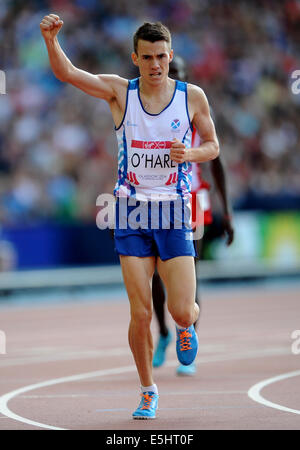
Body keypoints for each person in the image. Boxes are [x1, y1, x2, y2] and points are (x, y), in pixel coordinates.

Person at [40, 16, 220, 419]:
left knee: (181, 309)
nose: (156, 65)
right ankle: (147, 390)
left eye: (162, 57)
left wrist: (189, 154)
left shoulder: (192, 97)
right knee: (139, 312)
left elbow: (212, 144)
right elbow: (67, 73)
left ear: (170, 56)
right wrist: (52, 41)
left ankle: (186, 326)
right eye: (147, 57)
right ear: (134, 58)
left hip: (174, 211)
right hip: (131, 210)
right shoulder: (121, 93)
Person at [152, 56, 234, 376]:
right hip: (155, 200)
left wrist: (227, 211)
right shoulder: (149, 111)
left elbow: (217, 162)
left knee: (189, 274)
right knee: (158, 275)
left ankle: (188, 336)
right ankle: (162, 333)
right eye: (169, 73)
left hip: (193, 202)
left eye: (178, 74)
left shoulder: (195, 110)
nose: (171, 78)